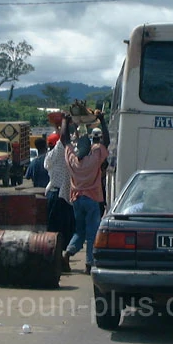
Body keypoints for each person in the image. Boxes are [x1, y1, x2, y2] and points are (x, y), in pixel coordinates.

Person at [61, 111, 110, 275]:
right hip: (92, 198)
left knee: (79, 231)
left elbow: (64, 141)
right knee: (92, 232)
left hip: (76, 199)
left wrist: (65, 122)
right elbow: (107, 142)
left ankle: (68, 253)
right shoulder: (94, 157)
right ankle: (89, 263)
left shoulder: (72, 160)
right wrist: (102, 120)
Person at [44, 131, 76, 271]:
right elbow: (62, 141)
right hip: (61, 197)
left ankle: (56, 260)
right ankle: (60, 260)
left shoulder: (49, 157)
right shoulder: (58, 154)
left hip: (54, 195)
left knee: (54, 230)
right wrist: (65, 124)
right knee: (63, 231)